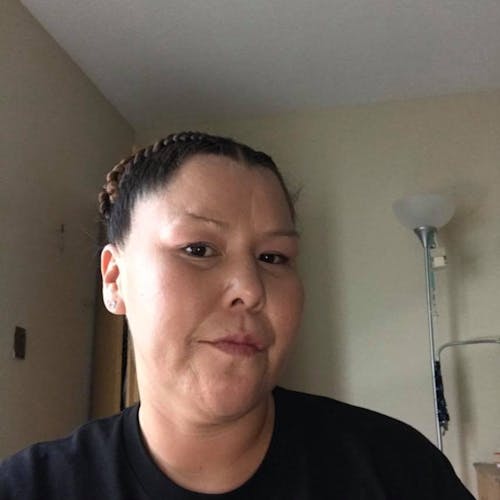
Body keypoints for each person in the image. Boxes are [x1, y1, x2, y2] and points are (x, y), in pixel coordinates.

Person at [0, 132, 473, 499]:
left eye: (273, 257)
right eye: (198, 249)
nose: (250, 289)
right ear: (115, 279)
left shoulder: (399, 470)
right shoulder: (29, 488)